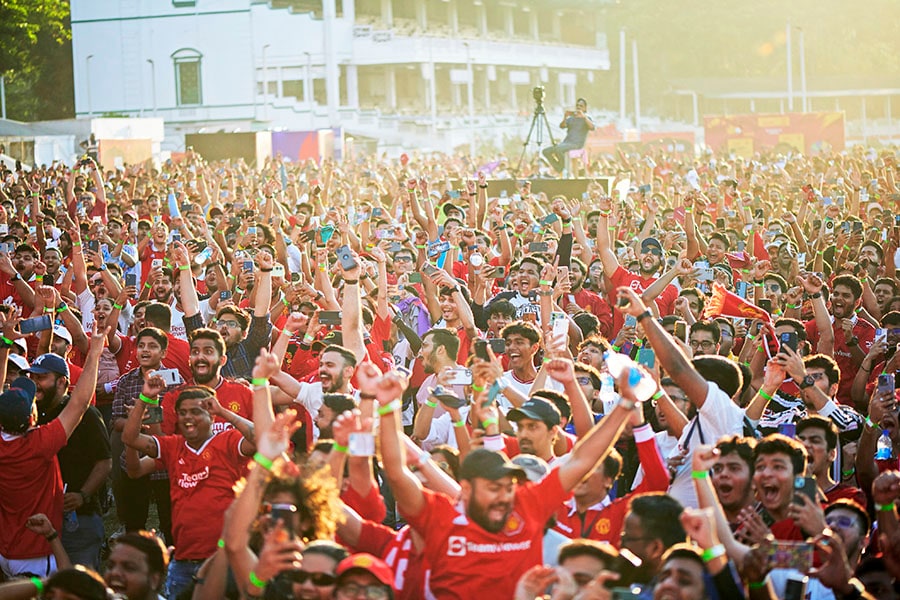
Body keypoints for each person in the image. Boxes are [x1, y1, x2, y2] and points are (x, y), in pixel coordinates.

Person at [368, 349, 637, 599]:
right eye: (494, 489)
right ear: (468, 489)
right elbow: (397, 472)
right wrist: (388, 407)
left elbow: (583, 458)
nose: (505, 496)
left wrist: (625, 405)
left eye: (508, 487)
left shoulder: (526, 504)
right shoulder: (441, 515)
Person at [122, 379, 256, 599]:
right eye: (182, 413)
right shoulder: (173, 446)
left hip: (223, 559)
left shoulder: (228, 442)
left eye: (196, 411)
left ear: (212, 415)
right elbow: (130, 438)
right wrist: (144, 399)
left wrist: (224, 411)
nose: (188, 418)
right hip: (183, 561)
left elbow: (259, 438)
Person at [541, 98, 595, 174]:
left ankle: (563, 168)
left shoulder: (587, 118)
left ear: (585, 108)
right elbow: (562, 126)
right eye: (577, 105)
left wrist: (584, 117)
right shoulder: (572, 118)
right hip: (566, 143)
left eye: (581, 106)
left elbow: (592, 127)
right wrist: (565, 116)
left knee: (558, 149)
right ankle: (559, 167)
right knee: (546, 151)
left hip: (577, 144)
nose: (578, 107)